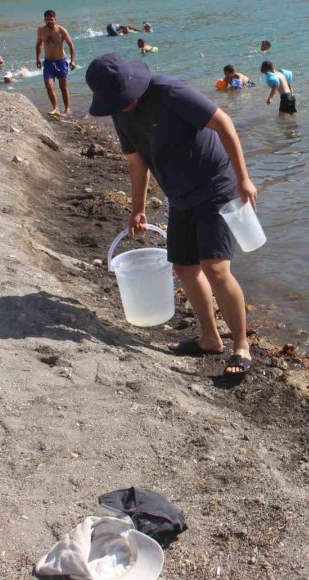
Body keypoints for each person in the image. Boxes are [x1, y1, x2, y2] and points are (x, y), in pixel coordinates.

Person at [85, 53, 258, 381]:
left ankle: (241, 346)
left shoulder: (171, 91)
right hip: (179, 195)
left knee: (216, 268)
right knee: (184, 268)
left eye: (123, 99)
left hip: (214, 186)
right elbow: (137, 164)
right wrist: (137, 209)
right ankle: (209, 338)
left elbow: (223, 123)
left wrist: (243, 178)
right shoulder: (119, 113)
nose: (122, 106)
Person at [36, 10, 76, 117]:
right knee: (48, 86)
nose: (49, 22)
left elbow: (71, 45)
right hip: (48, 63)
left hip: (61, 62)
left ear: (55, 19)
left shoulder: (61, 30)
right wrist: (37, 59)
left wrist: (73, 60)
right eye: (47, 20)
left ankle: (67, 108)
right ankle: (56, 108)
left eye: (51, 19)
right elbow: (39, 45)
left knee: (63, 87)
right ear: (44, 20)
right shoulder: (41, 30)